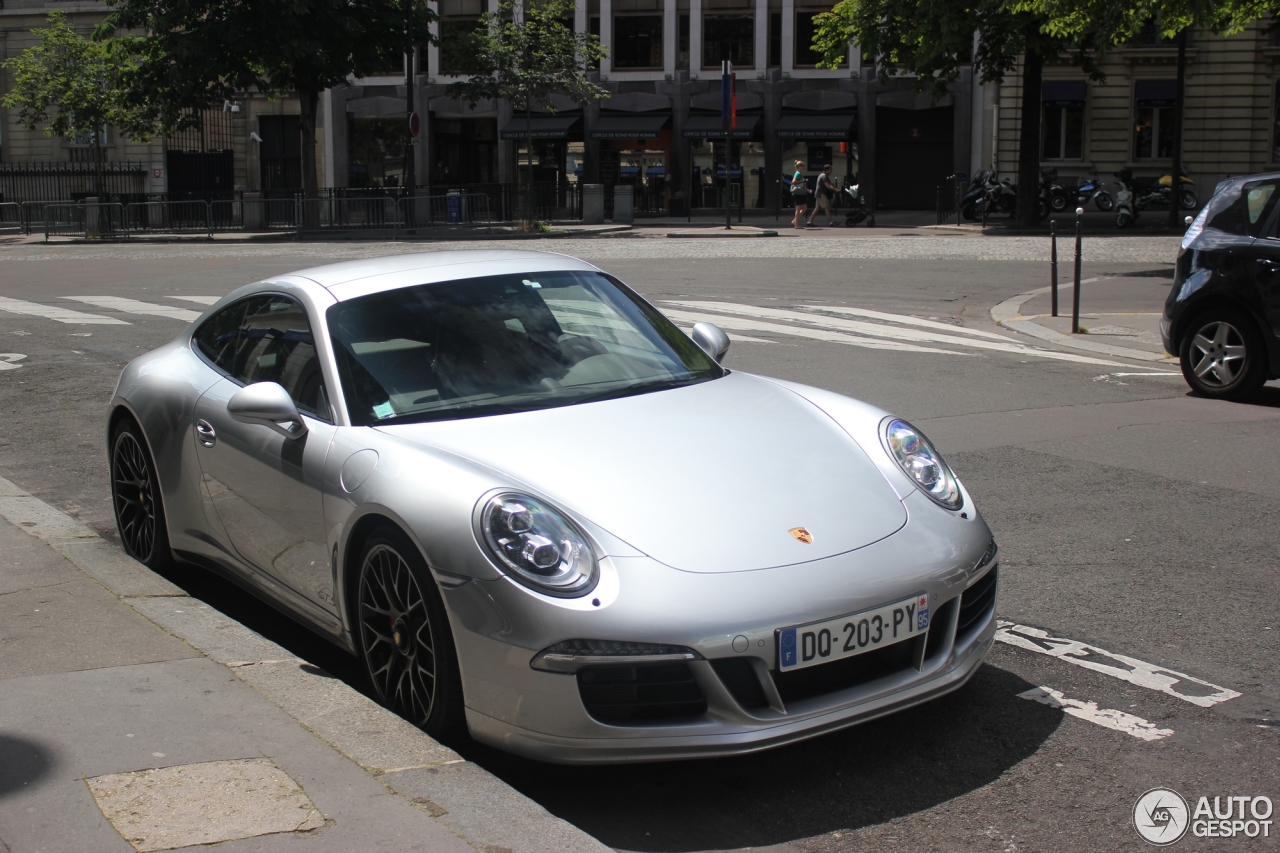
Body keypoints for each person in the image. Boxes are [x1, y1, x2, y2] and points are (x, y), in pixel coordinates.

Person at [789, 160, 809, 228]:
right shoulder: (797, 173)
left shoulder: (798, 173)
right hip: (798, 193)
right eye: (802, 166)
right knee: (798, 209)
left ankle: (795, 221)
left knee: (805, 207)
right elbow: (794, 181)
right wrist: (802, 180)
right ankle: (796, 225)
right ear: (799, 166)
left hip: (800, 193)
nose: (803, 167)